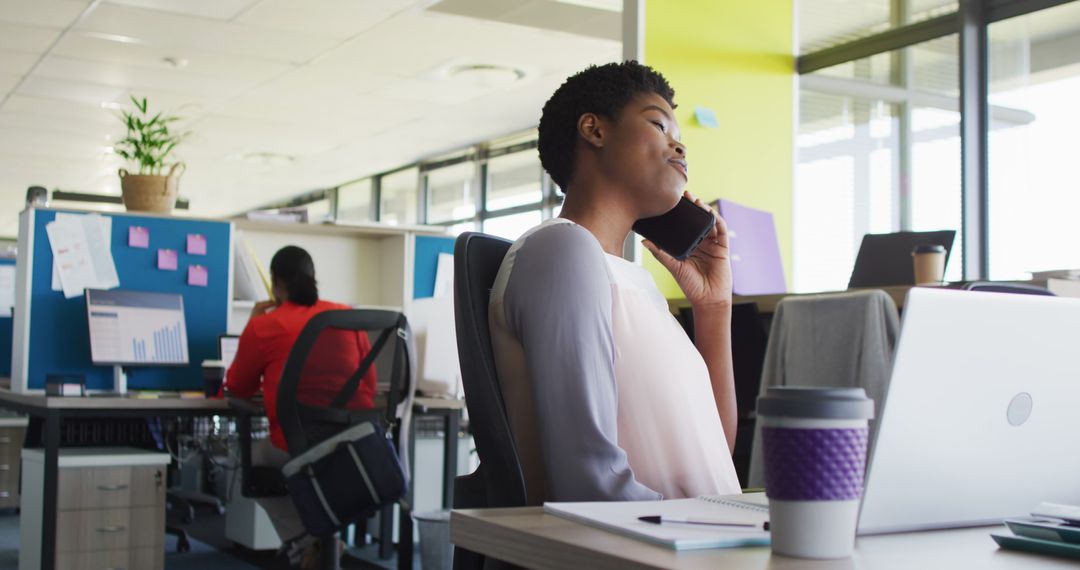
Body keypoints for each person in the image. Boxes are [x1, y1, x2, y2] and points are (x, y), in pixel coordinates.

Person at [488, 61, 742, 504]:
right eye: (658, 125)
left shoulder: (636, 282)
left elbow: (715, 454)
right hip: (655, 547)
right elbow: (591, 483)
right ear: (595, 130)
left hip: (701, 539)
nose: (679, 144)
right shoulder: (562, 250)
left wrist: (713, 307)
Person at [224, 245, 377, 567]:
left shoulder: (265, 325)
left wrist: (252, 323)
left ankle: (304, 542)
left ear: (275, 282)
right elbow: (370, 386)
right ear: (313, 278)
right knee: (304, 462)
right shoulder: (346, 315)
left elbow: (237, 387)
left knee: (247, 457)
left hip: (297, 444)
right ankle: (320, 541)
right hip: (354, 443)